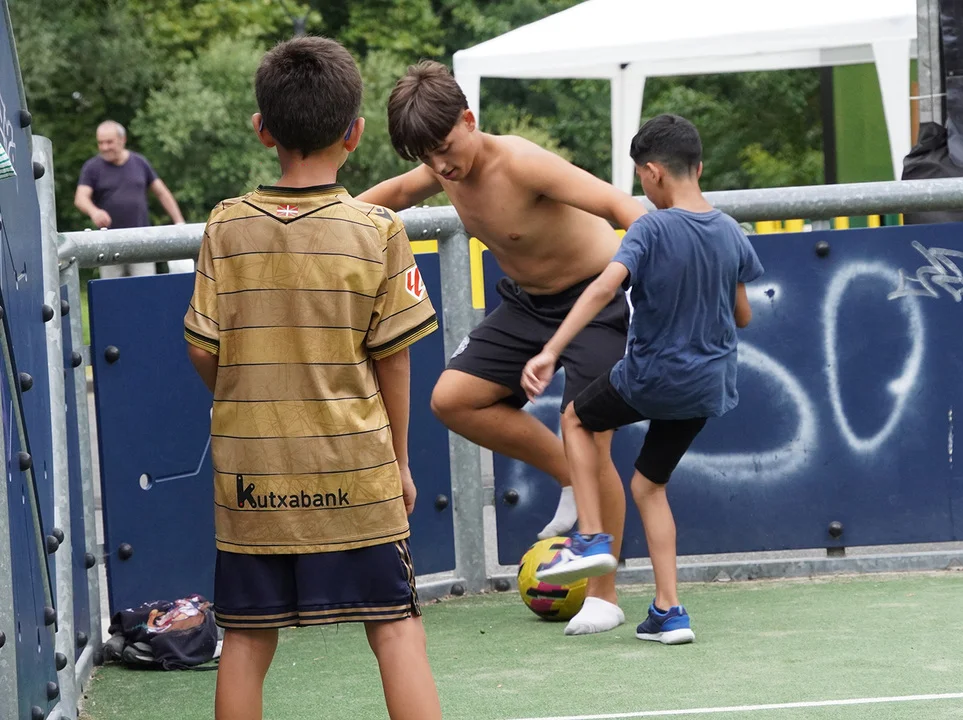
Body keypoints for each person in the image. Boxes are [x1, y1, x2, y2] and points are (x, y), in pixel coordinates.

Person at [183, 37, 442, 720]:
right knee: (396, 628)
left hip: (253, 481)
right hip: (358, 475)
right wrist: (400, 465)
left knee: (246, 637)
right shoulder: (378, 229)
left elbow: (202, 348)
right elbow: (394, 358)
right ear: (355, 133)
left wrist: (248, 402)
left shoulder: (223, 227)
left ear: (262, 129)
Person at [358, 61, 646, 636]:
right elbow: (395, 193)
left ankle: (605, 596)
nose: (441, 166)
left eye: (445, 148)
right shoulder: (443, 168)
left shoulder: (521, 162)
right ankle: (569, 476)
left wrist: (657, 275)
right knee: (453, 399)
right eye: (428, 157)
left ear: (469, 120)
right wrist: (322, 222)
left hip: (593, 302)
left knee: (590, 436)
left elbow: (624, 209)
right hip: (527, 306)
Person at [522, 114, 765, 645]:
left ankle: (591, 537)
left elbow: (602, 288)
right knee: (648, 486)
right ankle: (669, 611)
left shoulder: (650, 228)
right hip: (709, 386)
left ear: (653, 173)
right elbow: (743, 315)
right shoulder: (730, 231)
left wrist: (551, 349)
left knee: (575, 419)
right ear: (699, 167)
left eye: (640, 178)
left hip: (654, 376)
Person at [75, 120, 187, 277]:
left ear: (122, 140)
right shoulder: (92, 167)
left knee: (145, 288)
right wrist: (94, 212)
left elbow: (162, 193)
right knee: (111, 289)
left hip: (142, 242)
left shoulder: (140, 163)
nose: (104, 147)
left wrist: (180, 223)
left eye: (109, 142)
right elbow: (80, 198)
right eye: (100, 143)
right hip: (109, 245)